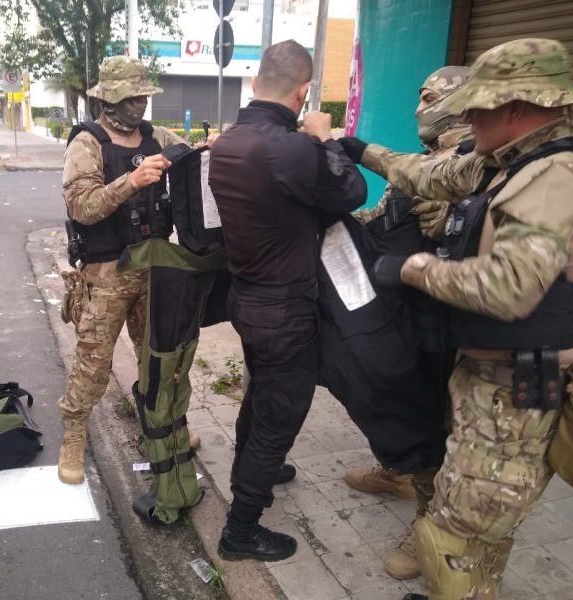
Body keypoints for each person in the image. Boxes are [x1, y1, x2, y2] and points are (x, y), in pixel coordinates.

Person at [341, 38, 573, 599]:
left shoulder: (554, 178)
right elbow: (429, 175)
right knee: (486, 524)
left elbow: (509, 287)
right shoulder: (505, 162)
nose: (465, 117)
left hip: (518, 385)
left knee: (454, 536)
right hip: (487, 372)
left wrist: (411, 269)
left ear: (514, 107)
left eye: (476, 106)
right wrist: (359, 149)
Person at [208, 39, 367, 562]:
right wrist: (324, 139)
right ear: (303, 93)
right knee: (280, 415)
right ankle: (241, 531)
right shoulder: (295, 149)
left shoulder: (228, 143)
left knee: (260, 398)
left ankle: (256, 468)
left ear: (255, 83)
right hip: (285, 311)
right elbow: (352, 192)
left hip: (248, 301)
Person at [339, 65, 471, 581]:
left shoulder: (467, 164)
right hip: (411, 313)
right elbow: (387, 218)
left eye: (429, 97)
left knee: (435, 418)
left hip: (447, 320)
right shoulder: (428, 162)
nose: (421, 106)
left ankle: (429, 520)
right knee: (400, 400)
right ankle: (398, 473)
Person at [57, 56, 195, 485]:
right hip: (106, 273)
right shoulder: (87, 143)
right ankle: (74, 432)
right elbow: (82, 206)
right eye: (133, 98)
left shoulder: (157, 137)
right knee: (93, 362)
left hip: (154, 267)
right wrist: (131, 182)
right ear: (111, 99)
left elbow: (189, 160)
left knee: (155, 356)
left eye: (144, 97)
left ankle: (159, 429)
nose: (140, 106)